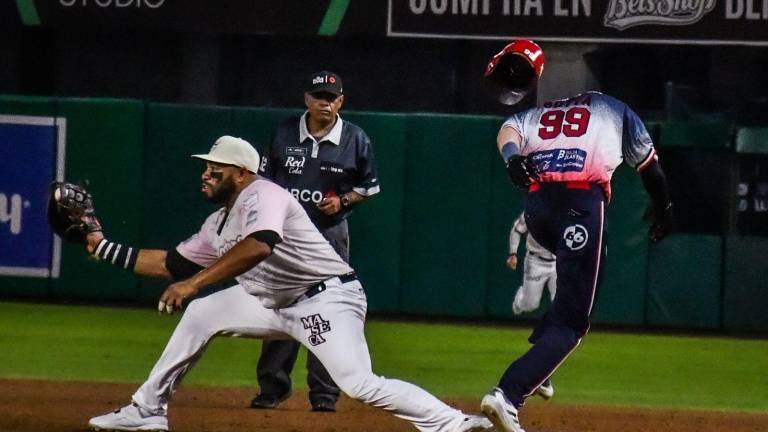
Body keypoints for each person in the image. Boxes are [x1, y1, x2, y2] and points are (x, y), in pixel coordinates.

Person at [83, 136, 492, 432]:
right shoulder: (217, 223)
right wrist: (99, 245)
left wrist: (194, 284)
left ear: (241, 174)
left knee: (358, 384)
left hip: (324, 299)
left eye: (215, 168)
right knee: (201, 314)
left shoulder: (264, 194)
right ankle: (147, 409)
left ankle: (453, 423)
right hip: (273, 302)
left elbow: (259, 245)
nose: (205, 174)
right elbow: (167, 264)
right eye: (205, 167)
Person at [479, 40, 673, 432]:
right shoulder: (612, 107)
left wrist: (513, 159)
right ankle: (508, 394)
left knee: (570, 291)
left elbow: (507, 130)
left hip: (538, 209)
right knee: (573, 322)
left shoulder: (539, 113)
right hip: (581, 204)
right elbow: (649, 167)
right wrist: (664, 206)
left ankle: (542, 368)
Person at [251, 70, 380, 412]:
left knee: (328, 311)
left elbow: (369, 187)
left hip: (328, 235)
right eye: (319, 96)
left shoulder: (355, 138)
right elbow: (262, 181)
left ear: (341, 101)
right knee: (281, 308)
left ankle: (324, 395)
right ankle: (272, 389)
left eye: (331, 98)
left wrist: (343, 200)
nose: (325, 103)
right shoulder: (283, 132)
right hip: (285, 236)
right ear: (307, 99)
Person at [507, 211, 556, 317]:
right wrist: (513, 253)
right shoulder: (533, 211)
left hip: (559, 262)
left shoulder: (568, 212)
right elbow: (517, 230)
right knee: (530, 305)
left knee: (562, 302)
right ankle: (519, 302)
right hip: (536, 261)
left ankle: (558, 326)